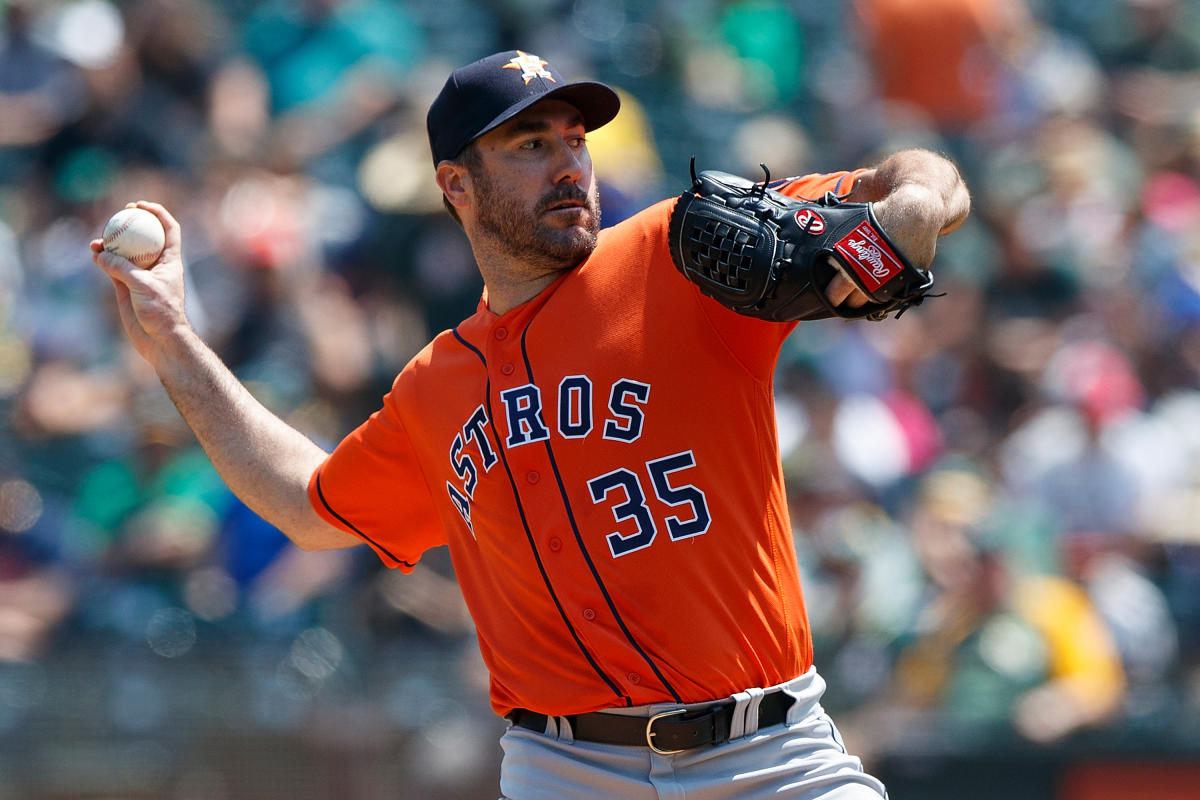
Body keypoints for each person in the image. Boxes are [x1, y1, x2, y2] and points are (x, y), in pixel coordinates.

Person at [91, 49, 969, 799]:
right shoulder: (434, 387)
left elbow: (919, 176)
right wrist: (172, 340)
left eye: (576, 141)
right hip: (567, 767)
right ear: (455, 186)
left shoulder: (680, 254)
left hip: (768, 753)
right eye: (531, 143)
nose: (568, 165)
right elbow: (307, 506)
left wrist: (916, 207)